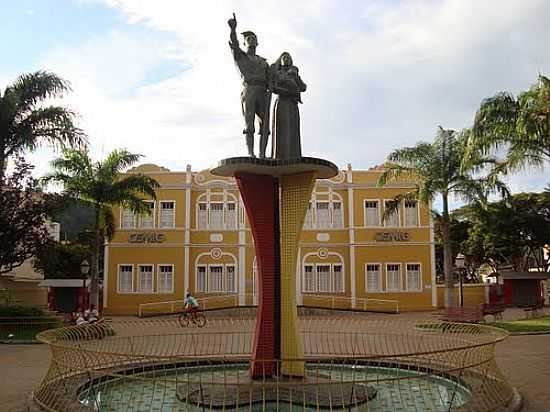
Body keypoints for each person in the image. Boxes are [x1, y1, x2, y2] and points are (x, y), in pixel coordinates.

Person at [228, 13, 271, 158]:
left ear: (257, 43)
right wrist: (233, 29)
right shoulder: (241, 57)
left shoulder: (264, 62)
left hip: (263, 91)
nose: (251, 40)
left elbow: (273, 78)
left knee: (265, 125)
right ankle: (251, 153)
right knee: (249, 123)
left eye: (254, 39)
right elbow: (234, 44)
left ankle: (262, 155)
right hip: (250, 89)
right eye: (248, 39)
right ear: (245, 43)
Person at [270, 52, 306, 160]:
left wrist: (297, 77)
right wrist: (287, 91)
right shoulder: (278, 73)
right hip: (282, 102)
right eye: (284, 58)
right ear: (280, 61)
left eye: (288, 58)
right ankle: (280, 155)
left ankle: (294, 155)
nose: (286, 59)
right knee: (282, 128)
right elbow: (274, 88)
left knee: (293, 128)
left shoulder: (294, 73)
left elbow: (303, 87)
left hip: (292, 103)